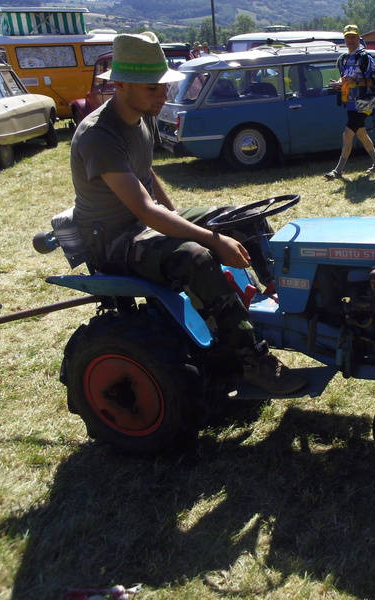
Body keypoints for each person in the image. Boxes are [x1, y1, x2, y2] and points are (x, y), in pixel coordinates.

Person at [70, 32, 306, 395]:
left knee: (244, 218)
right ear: (120, 84)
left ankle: (279, 298)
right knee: (196, 257)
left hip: (143, 221)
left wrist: (179, 217)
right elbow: (145, 211)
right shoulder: (99, 135)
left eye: (163, 86)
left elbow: (146, 174)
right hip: (113, 239)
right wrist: (208, 237)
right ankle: (253, 362)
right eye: (152, 88)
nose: (162, 96)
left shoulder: (141, 115)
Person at [324, 24, 375, 180]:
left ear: (359, 37)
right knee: (362, 134)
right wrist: (339, 83)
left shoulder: (365, 57)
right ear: (344, 38)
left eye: (353, 36)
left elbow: (373, 80)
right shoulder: (345, 58)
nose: (350, 39)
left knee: (347, 135)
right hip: (351, 102)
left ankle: (338, 171)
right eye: (348, 36)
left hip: (364, 103)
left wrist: (355, 82)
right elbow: (346, 77)